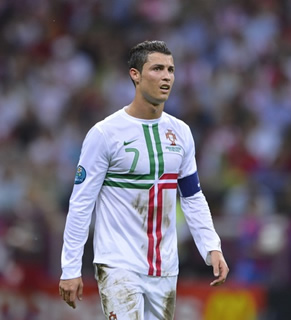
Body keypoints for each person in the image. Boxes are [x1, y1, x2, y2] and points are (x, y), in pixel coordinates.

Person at [58, 40, 229, 320]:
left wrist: (212, 246)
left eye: (171, 70)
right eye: (157, 68)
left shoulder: (181, 133)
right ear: (135, 75)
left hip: (165, 267)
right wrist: (70, 268)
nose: (166, 76)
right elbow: (81, 204)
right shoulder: (104, 134)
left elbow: (192, 196)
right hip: (118, 264)